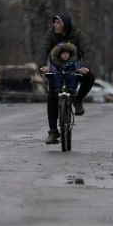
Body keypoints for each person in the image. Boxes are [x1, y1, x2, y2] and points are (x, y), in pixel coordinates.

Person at [38, 12, 94, 145]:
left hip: (73, 66)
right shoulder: (51, 33)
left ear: (64, 25)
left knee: (90, 77)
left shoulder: (77, 34)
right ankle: (53, 132)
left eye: (58, 23)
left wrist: (85, 67)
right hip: (56, 67)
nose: (54, 25)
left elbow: (86, 50)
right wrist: (42, 66)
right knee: (52, 96)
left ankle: (78, 100)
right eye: (54, 22)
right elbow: (44, 49)